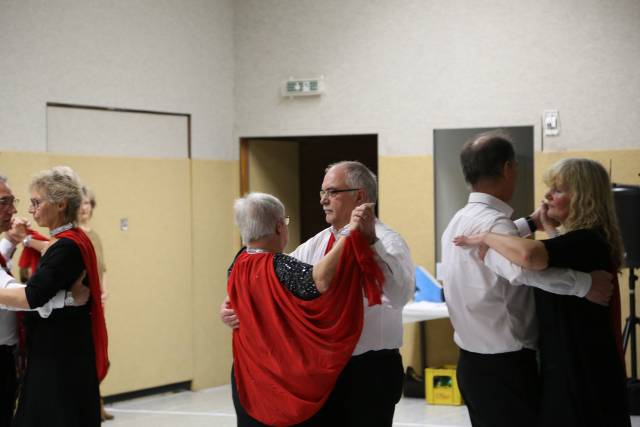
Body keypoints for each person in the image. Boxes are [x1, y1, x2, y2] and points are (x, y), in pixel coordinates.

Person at [440, 132, 615, 427]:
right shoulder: (493, 223)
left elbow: (506, 243)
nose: (548, 195)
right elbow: (523, 267)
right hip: (504, 365)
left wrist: (532, 223)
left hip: (472, 361)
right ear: (508, 169)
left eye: (557, 189)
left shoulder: (459, 220)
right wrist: (584, 284)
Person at [222, 161, 414, 426]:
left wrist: (369, 244)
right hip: (323, 371)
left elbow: (399, 295)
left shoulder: (387, 241)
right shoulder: (318, 243)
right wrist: (233, 306)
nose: (324, 199)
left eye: (332, 192)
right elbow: (274, 283)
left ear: (360, 196)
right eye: (322, 192)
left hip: (368, 371)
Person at [0, 166, 108, 427]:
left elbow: (31, 297)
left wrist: (65, 301)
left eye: (36, 202)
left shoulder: (66, 245)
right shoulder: (71, 241)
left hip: (57, 359)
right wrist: (67, 299)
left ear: (60, 204)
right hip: (57, 355)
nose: (27, 210)